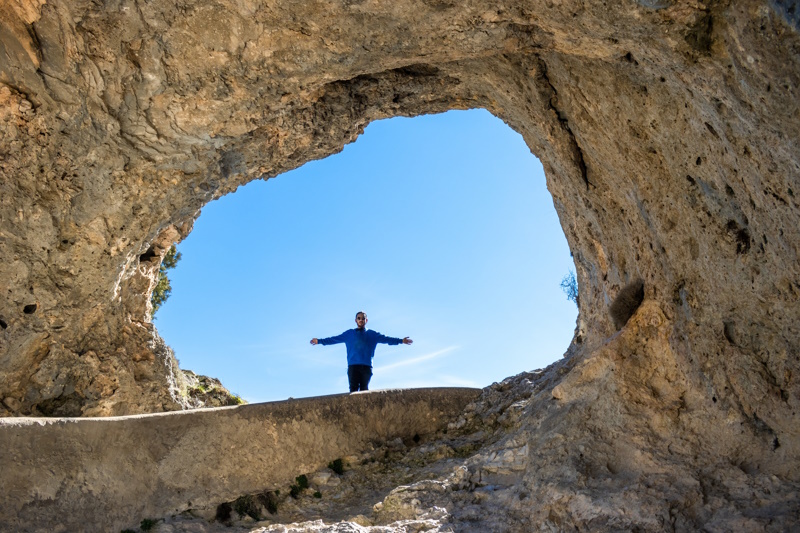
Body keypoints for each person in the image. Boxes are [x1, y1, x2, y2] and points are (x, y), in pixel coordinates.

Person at [310, 311, 412, 392]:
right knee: (353, 391)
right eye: (359, 318)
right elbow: (333, 339)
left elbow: (387, 339)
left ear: (366, 320)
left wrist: (401, 341)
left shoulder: (372, 334)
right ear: (355, 320)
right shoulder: (349, 334)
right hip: (353, 366)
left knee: (364, 391)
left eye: (363, 318)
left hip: (366, 367)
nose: (361, 320)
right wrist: (319, 341)